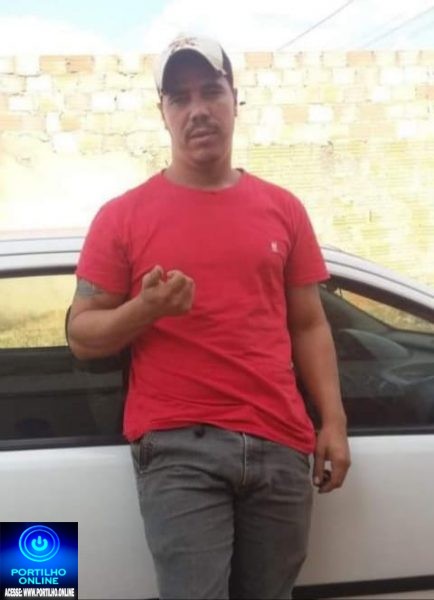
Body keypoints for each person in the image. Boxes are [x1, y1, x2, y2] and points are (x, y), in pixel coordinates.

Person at [67, 34, 351, 600]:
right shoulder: (122, 217)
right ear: (163, 113)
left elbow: (309, 324)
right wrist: (145, 309)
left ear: (234, 99)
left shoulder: (284, 209)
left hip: (280, 441)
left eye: (210, 91)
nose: (197, 109)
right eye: (179, 97)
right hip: (180, 449)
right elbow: (81, 334)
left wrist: (334, 423)